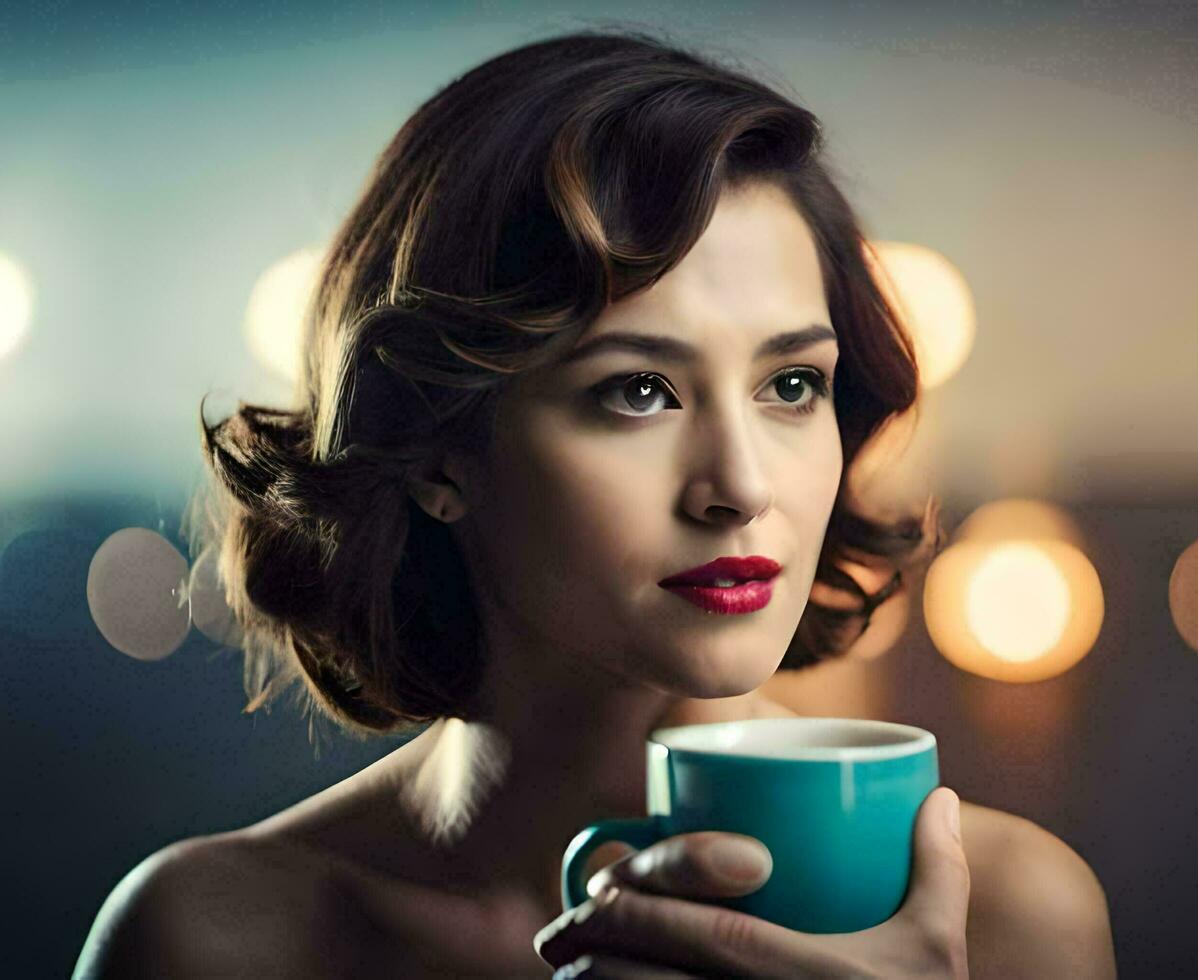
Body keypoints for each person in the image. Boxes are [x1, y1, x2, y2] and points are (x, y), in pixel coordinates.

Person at [74, 27, 1116, 978]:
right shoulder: (214, 940)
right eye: (639, 391)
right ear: (439, 448)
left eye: (791, 384)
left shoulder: (1008, 920)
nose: (743, 487)